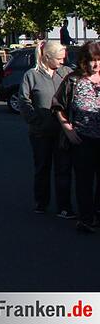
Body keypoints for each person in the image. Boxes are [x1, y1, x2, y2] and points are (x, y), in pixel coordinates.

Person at [20, 41, 74, 217]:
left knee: (63, 168)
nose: (61, 61)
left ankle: (64, 206)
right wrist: (35, 120)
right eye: (58, 59)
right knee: (42, 167)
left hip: (62, 131)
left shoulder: (66, 73)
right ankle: (41, 202)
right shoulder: (31, 75)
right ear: (47, 57)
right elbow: (24, 100)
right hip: (40, 132)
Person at [52, 41, 100, 233]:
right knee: (84, 180)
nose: (95, 65)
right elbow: (57, 105)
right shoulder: (74, 80)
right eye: (91, 61)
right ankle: (85, 218)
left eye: (99, 60)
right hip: (82, 138)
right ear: (83, 61)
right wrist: (67, 129)